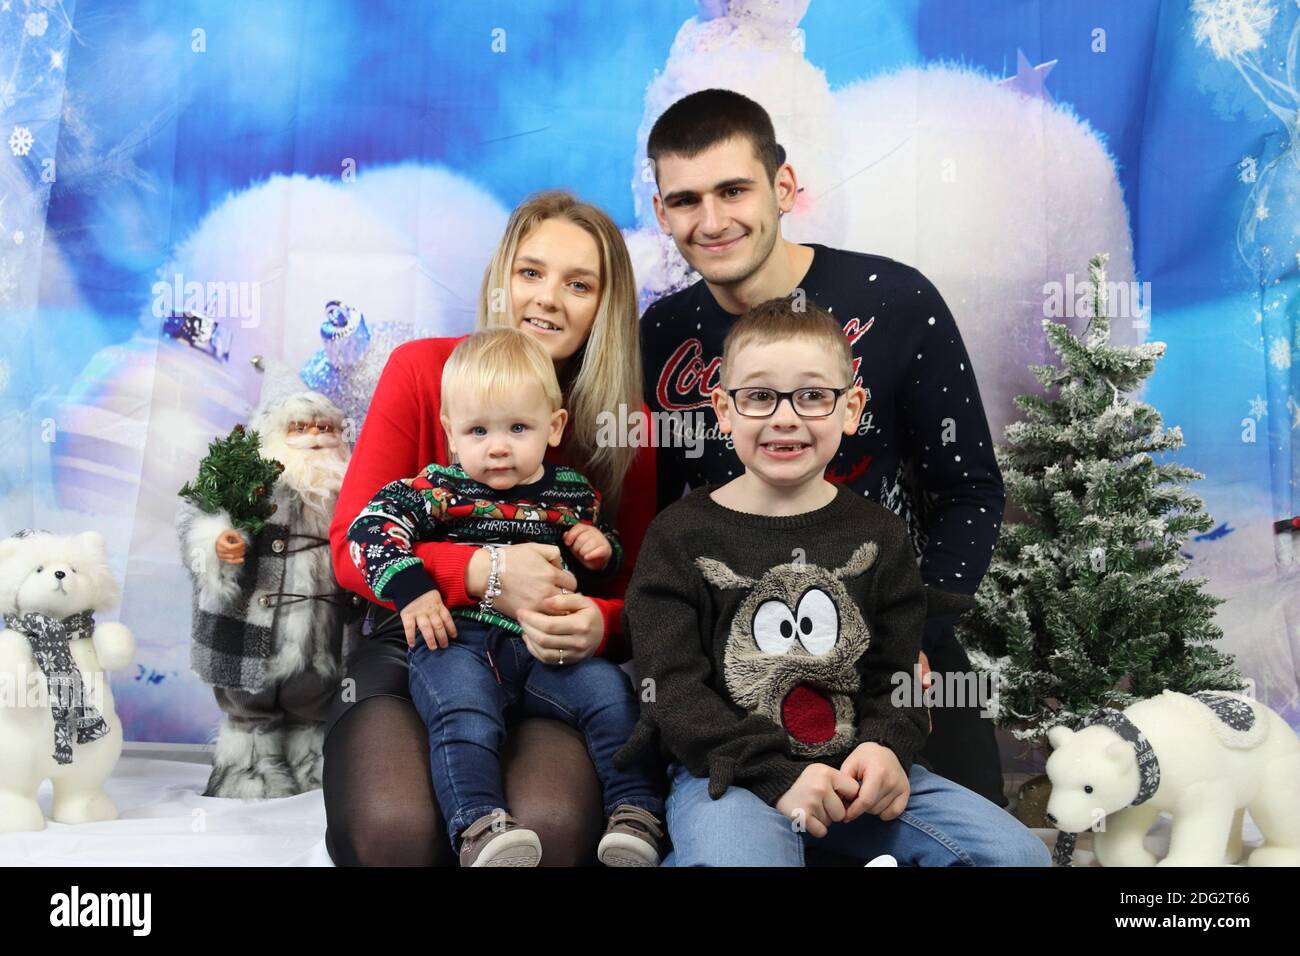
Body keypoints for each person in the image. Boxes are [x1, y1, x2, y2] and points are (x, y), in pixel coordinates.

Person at [639, 88, 1008, 806]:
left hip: (894, 628)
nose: (710, 221)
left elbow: (968, 488)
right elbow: (662, 514)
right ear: (661, 212)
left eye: (733, 190)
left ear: (783, 187)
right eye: (685, 200)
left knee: (977, 836)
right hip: (735, 652)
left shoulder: (893, 298)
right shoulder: (663, 333)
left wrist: (918, 631)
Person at [616, 298, 1049, 866]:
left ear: (851, 409)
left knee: (1016, 857)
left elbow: (896, 674)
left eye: (813, 395)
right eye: (759, 396)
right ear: (723, 409)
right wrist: (775, 776)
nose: (785, 418)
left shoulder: (880, 534)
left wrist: (885, 746)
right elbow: (671, 692)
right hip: (729, 774)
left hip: (852, 772)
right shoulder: (679, 536)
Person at [324, 191, 655, 866]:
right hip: (420, 636)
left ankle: (639, 815)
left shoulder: (626, 427)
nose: (547, 300)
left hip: (548, 657)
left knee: (555, 826)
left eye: (578, 284)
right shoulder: (424, 371)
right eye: (530, 273)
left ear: (606, 307)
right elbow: (349, 545)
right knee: (398, 830)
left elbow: (639, 589)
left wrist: (598, 620)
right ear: (501, 281)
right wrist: (480, 574)